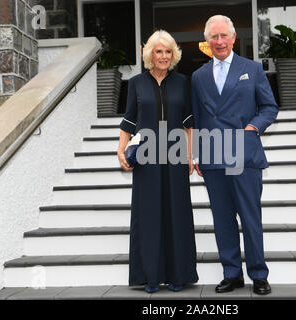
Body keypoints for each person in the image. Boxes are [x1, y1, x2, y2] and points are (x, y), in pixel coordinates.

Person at [191, 15, 279, 295]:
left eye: (223, 36)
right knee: (222, 218)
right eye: (213, 37)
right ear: (207, 42)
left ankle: (258, 274)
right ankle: (232, 274)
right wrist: (197, 154)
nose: (219, 42)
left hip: (244, 153)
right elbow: (197, 117)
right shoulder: (198, 76)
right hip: (214, 155)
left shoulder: (252, 69)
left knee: (250, 216)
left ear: (233, 38)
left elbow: (269, 107)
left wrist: (254, 127)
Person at [117, 30, 198, 293]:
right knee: (149, 214)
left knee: (177, 213)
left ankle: (177, 275)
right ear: (150, 54)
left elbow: (188, 122)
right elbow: (129, 119)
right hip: (147, 156)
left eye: (168, 51)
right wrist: (120, 150)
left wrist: (189, 155)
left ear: (173, 55)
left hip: (175, 156)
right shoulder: (137, 83)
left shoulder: (183, 82)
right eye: (158, 51)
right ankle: (150, 276)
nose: (163, 56)